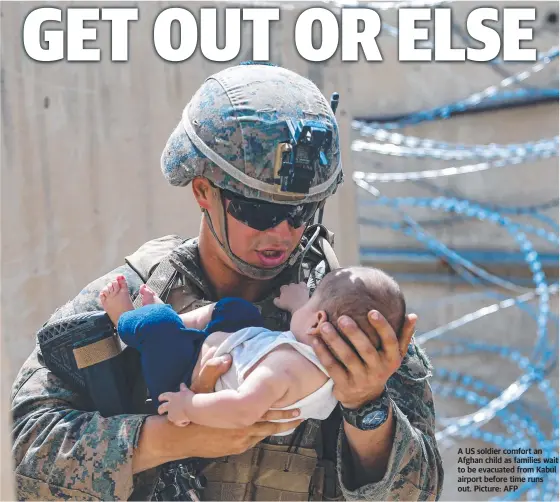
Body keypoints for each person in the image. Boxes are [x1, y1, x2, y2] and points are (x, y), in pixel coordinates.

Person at [11, 62, 444, 501]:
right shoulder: (135, 295)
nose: (282, 233)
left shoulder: (348, 316)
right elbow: (25, 450)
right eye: (258, 212)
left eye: (300, 213)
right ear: (203, 191)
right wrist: (168, 439)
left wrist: (366, 406)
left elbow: (418, 494)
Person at [98, 267, 406, 436]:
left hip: (181, 382)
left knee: (157, 325)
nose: (306, 303)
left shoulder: (283, 370)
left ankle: (125, 318)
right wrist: (299, 303)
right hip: (230, 350)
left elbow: (243, 409)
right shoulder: (327, 366)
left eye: (312, 301)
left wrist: (189, 405)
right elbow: (308, 332)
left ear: (319, 320)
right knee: (238, 311)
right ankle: (176, 324)